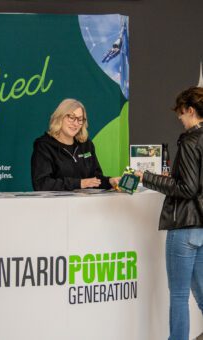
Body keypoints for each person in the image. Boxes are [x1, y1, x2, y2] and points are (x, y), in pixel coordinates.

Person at [135, 86, 203, 340]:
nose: (179, 118)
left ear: (191, 110)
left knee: (178, 296)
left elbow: (187, 188)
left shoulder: (189, 140)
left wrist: (147, 178)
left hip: (184, 226)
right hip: (201, 229)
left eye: (181, 113)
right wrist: (172, 177)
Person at [31, 98, 120, 191]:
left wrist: (110, 181)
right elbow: (41, 184)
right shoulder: (44, 146)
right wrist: (79, 183)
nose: (76, 123)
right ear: (60, 117)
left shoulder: (86, 145)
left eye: (80, 119)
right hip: (57, 205)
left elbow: (95, 180)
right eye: (71, 118)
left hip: (85, 204)